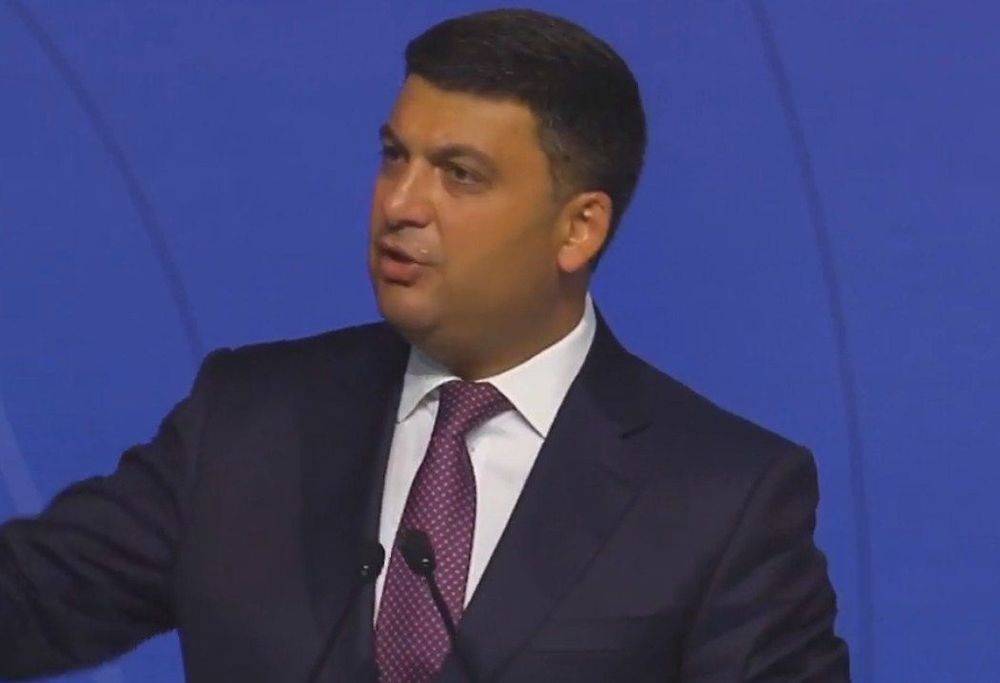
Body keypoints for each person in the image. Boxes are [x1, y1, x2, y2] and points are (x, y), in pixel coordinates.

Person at [0, 8, 851, 682]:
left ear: (579, 227)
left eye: (459, 174)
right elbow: (28, 599)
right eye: (393, 157)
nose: (401, 203)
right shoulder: (246, 421)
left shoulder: (722, 497)